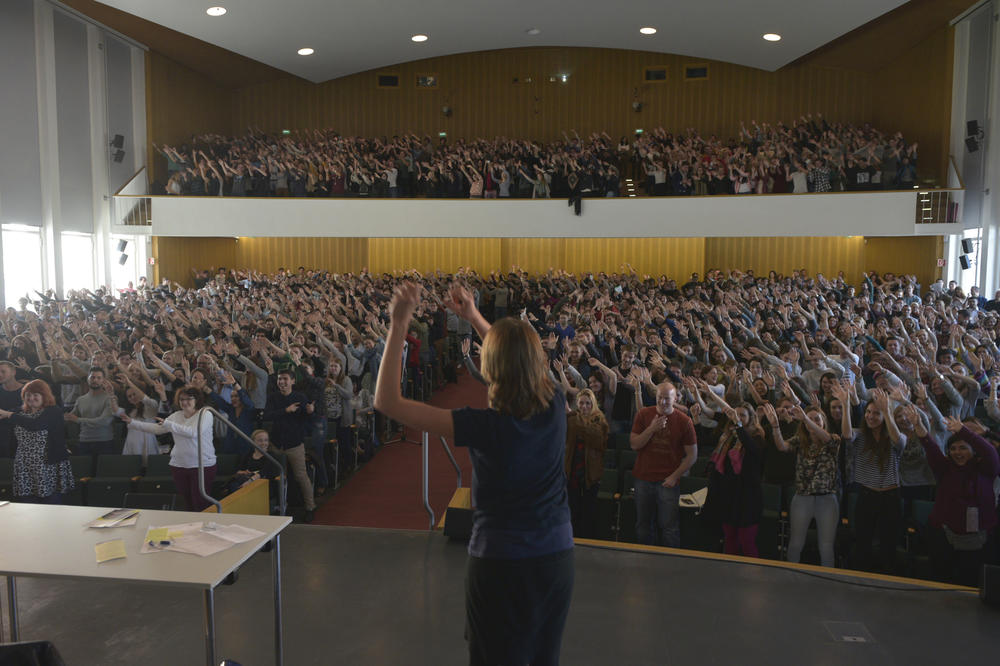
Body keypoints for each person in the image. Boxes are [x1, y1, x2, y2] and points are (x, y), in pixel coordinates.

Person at [374, 282, 574, 666]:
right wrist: (475, 317)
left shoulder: (485, 427)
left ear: (490, 368)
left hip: (501, 564)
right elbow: (519, 361)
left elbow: (386, 402)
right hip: (556, 558)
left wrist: (398, 324)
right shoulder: (554, 404)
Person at [905, 408, 999, 586]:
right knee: (943, 580)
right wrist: (918, 424)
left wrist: (964, 431)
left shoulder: (986, 469)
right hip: (945, 537)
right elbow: (930, 447)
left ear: (973, 450)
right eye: (954, 448)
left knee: (972, 583)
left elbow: (990, 452)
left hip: (979, 540)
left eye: (963, 448)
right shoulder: (945, 468)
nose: (958, 452)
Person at [767, 403, 840, 567]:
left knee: (826, 547)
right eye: (809, 419)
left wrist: (806, 418)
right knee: (795, 544)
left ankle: (827, 581)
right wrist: (775, 426)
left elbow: (827, 439)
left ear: (823, 421)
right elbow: (782, 446)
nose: (813, 422)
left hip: (827, 499)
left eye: (817, 419)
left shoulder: (833, 439)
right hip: (802, 497)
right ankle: (790, 577)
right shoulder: (800, 440)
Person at [123, 386, 217, 511]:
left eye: (189, 399)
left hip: (202, 465)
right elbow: (158, 429)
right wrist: (132, 422)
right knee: (186, 502)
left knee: (200, 502)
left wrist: (169, 424)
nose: (184, 402)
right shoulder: (176, 415)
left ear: (197, 400)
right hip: (179, 465)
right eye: (182, 399)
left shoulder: (205, 414)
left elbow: (193, 433)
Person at [629, 381, 697, 547]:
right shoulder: (644, 414)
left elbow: (692, 455)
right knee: (643, 526)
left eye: (667, 398)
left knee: (669, 528)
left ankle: (670, 566)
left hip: (668, 482)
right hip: (643, 479)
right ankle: (644, 561)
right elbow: (634, 444)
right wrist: (652, 429)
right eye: (660, 398)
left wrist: (674, 477)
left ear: (675, 399)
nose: (663, 402)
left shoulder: (684, 421)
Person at [0, 380, 74, 504]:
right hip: (24, 464)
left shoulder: (53, 411)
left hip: (48, 463)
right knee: (27, 504)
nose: (31, 398)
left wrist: (9, 415)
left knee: (51, 503)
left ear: (44, 396)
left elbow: (36, 425)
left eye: (36, 395)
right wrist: (8, 414)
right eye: (28, 395)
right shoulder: (19, 412)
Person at [263, 369, 316, 521]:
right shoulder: (273, 397)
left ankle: (310, 507)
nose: (281, 382)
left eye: (285, 379)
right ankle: (278, 507)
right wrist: (286, 410)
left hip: (294, 444)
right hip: (276, 444)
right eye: (279, 379)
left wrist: (311, 411)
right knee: (276, 477)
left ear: (292, 381)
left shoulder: (300, 397)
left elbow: (308, 420)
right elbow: (267, 415)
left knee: (301, 476)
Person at [564, 388, 609, 539]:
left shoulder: (599, 419)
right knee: (572, 509)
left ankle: (587, 540)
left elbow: (597, 440)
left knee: (588, 511)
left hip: (591, 473)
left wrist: (574, 417)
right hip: (572, 470)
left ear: (593, 404)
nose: (584, 406)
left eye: (588, 403)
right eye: (581, 403)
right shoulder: (571, 419)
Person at [65, 367, 115, 460]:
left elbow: (105, 421)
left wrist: (78, 420)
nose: (95, 380)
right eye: (92, 377)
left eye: (99, 378)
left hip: (104, 442)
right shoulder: (81, 399)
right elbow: (70, 418)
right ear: (88, 379)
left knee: (103, 473)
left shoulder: (110, 398)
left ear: (103, 380)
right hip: (84, 441)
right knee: (84, 473)